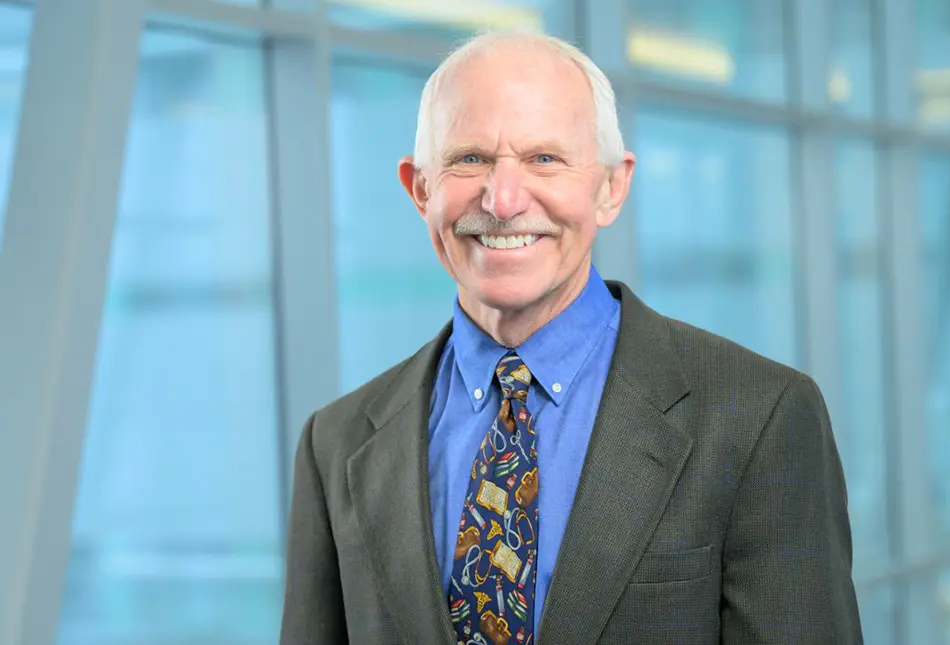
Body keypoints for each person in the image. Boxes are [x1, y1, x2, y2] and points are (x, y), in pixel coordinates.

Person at [279, 31, 863, 645]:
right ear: (420, 188)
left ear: (611, 186)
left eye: (545, 159)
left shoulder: (758, 417)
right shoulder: (335, 444)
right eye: (469, 158)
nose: (503, 201)